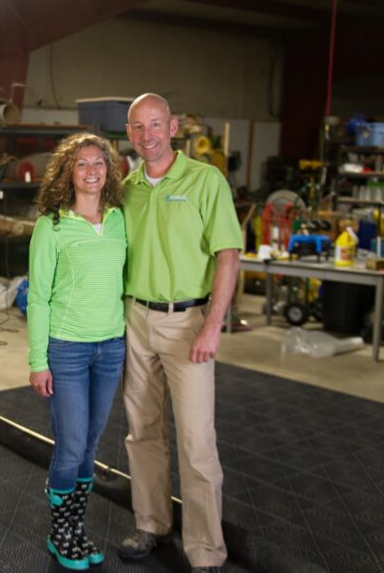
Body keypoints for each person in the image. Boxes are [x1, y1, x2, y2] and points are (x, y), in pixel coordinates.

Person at [116, 93, 242, 573]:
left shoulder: (205, 180)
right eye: (137, 128)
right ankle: (151, 524)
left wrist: (213, 323)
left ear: (172, 128)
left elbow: (228, 254)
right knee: (142, 431)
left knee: (195, 440)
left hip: (188, 322)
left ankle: (206, 551)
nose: (146, 136)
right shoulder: (127, 189)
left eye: (155, 125)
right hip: (136, 319)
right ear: (129, 134)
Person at [27, 133, 127, 571]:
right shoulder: (51, 225)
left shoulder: (121, 218)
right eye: (82, 164)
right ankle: (59, 532)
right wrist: (37, 360)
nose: (91, 171)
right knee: (69, 446)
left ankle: (76, 529)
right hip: (66, 350)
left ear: (109, 170)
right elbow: (37, 297)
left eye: (98, 163)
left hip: (110, 348)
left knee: (89, 445)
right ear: (68, 173)